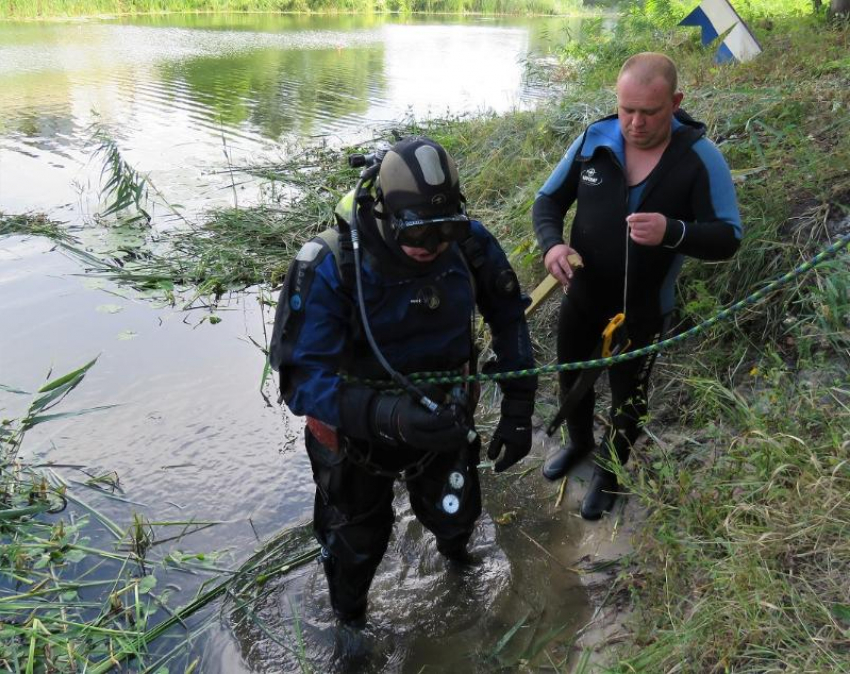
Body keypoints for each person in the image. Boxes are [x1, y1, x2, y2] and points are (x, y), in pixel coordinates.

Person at [270, 136, 537, 626]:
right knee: (354, 547)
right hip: (353, 441)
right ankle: (351, 630)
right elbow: (301, 383)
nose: (432, 247)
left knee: (457, 514)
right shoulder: (329, 264)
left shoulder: (469, 244)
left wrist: (519, 408)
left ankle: (460, 569)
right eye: (417, 234)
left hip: (445, 424)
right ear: (384, 215)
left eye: (445, 231)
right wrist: (389, 416)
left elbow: (509, 317)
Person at [533, 52, 742, 520]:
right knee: (572, 375)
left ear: (676, 101)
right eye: (628, 109)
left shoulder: (697, 158)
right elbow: (547, 200)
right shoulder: (594, 140)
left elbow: (729, 236)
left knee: (629, 396)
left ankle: (610, 473)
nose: (636, 123)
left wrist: (672, 230)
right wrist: (551, 247)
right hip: (583, 296)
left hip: (643, 308)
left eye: (650, 111)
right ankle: (580, 444)